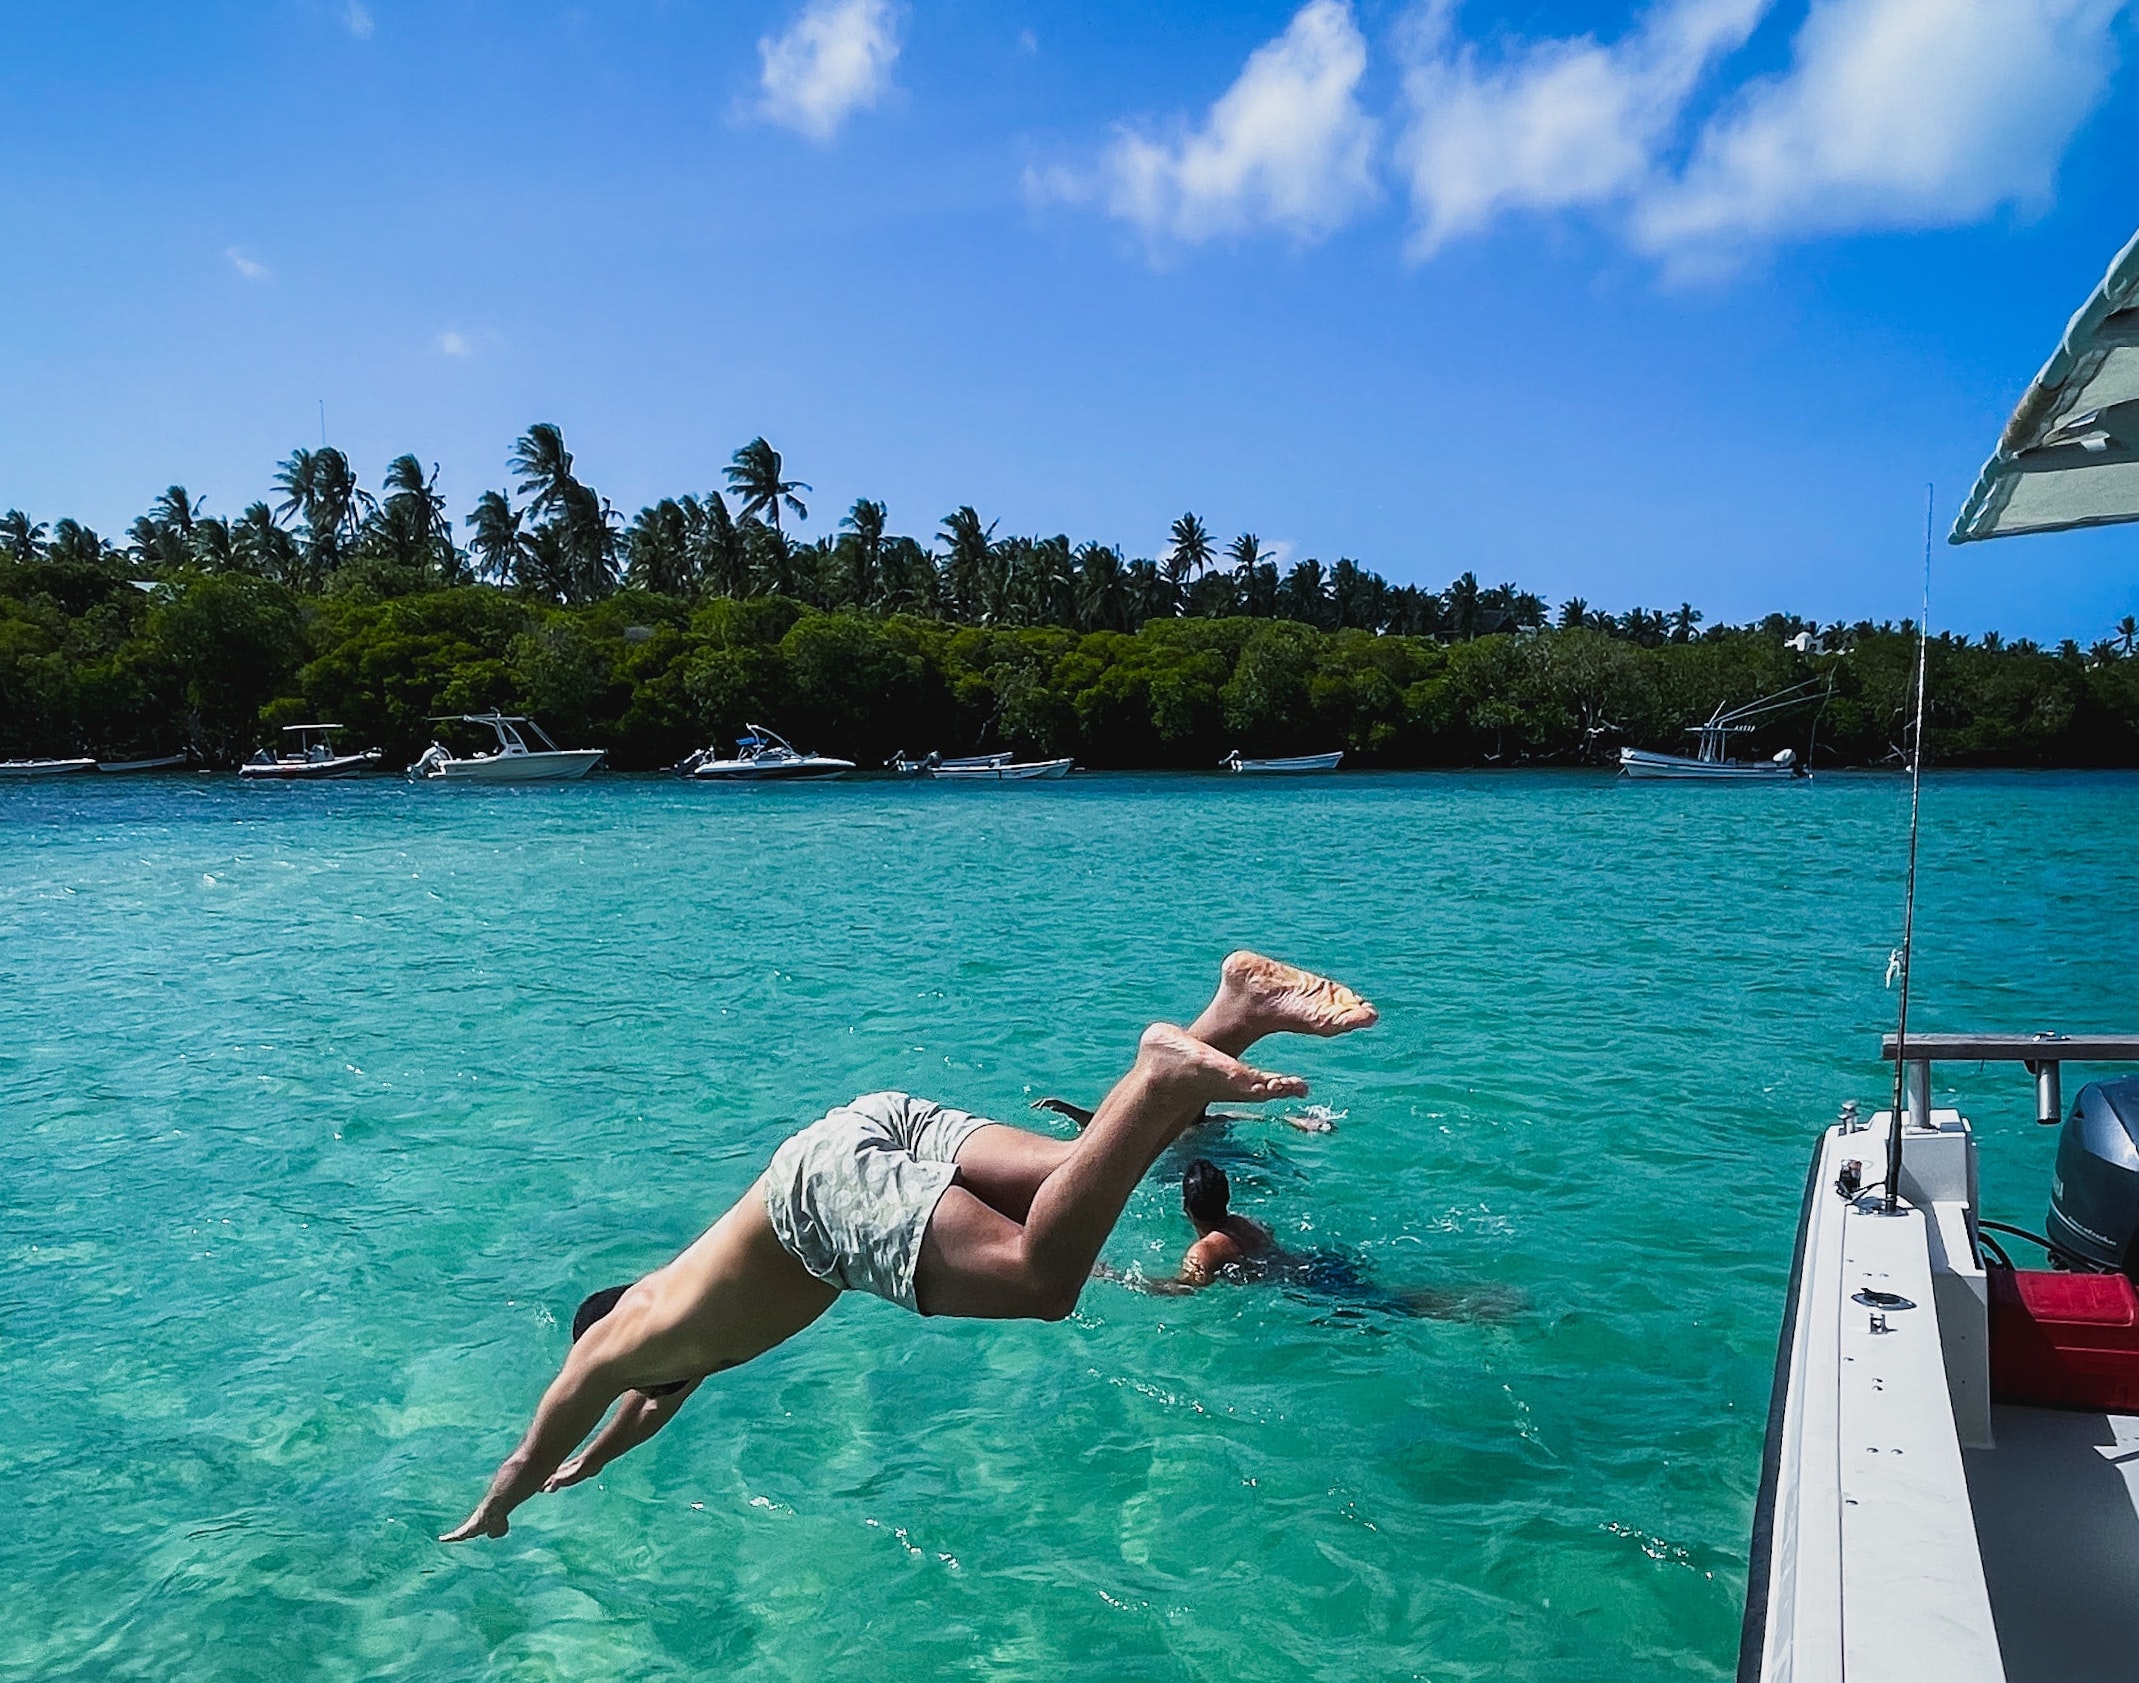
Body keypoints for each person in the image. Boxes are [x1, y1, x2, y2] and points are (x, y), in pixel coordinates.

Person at [440, 952, 1377, 1542]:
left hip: (817, 1200)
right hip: (863, 1126)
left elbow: (534, 1442)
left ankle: (1168, 1067)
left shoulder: (615, 1344)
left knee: (1040, 1280)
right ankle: (1235, 1006)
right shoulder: (670, 1355)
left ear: (591, 1337)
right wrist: (591, 1465)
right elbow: (630, 1422)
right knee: (1081, 1169)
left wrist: (496, 1508)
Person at [1106, 1156, 1527, 1322]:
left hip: (1304, 1287)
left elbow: (1184, 1290)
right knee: (1388, 1297)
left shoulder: (1204, 1251)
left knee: (1397, 1307)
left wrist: (1115, 1276)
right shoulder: (1249, 1222)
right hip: (1317, 1262)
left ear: (1187, 1209)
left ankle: (1481, 1307)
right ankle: (1481, 1302)